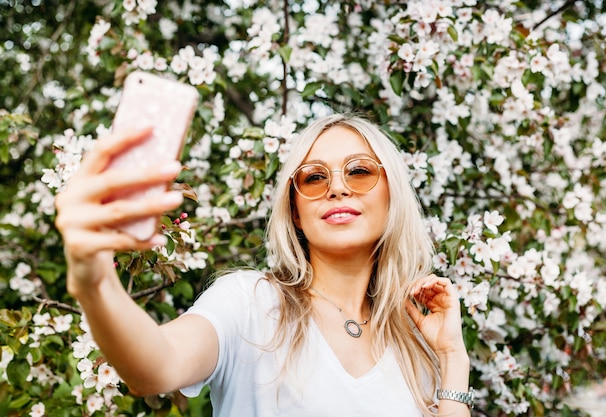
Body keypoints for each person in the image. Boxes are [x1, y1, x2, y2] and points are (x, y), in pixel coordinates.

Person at [55, 113, 472, 416]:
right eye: (313, 178)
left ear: (391, 194)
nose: (338, 188)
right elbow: (155, 366)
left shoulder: (414, 342)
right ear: (294, 210)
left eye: (359, 171)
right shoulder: (251, 303)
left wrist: (453, 358)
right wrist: (95, 282)